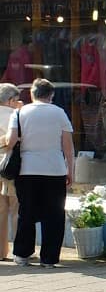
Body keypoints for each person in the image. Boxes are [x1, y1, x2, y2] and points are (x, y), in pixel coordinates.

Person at [4, 78, 75, 268]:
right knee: (54, 215)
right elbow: (68, 147)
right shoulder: (59, 113)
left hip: (27, 169)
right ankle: (49, 258)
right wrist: (71, 170)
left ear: (32, 94)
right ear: (51, 95)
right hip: (55, 169)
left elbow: (11, 141)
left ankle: (22, 254)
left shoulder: (19, 113)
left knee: (26, 212)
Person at [0, 82, 22, 260]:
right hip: (11, 166)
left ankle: (0, 252)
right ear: (10, 100)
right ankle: (19, 251)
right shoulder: (16, 116)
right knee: (15, 209)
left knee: (0, 210)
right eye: (16, 99)